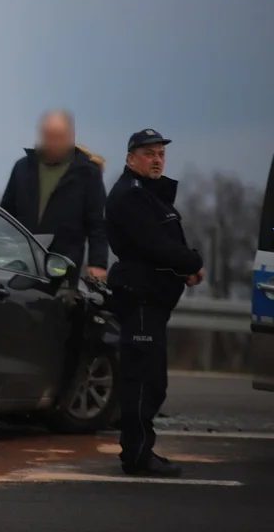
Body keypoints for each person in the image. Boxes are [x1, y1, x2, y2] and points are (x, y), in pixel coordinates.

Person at [105, 128, 204, 478]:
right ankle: (137, 454)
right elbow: (153, 244)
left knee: (150, 380)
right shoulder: (130, 196)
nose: (157, 159)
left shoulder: (147, 194)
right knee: (144, 381)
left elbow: (161, 243)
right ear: (131, 158)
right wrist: (190, 262)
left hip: (152, 299)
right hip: (141, 299)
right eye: (149, 153)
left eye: (160, 153)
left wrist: (183, 267)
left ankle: (140, 450)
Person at [0, 109, 109, 283]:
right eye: (48, 136)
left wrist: (98, 263)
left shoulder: (87, 173)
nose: (53, 142)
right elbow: (5, 215)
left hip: (64, 268)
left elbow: (97, 224)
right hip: (22, 266)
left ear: (70, 137)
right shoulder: (22, 168)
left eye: (58, 137)